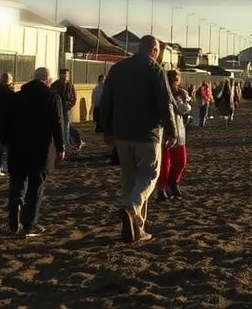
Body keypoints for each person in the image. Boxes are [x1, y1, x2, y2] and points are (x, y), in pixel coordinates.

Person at [97, 34, 178, 243]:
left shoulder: (118, 69)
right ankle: (131, 206)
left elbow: (106, 101)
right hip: (147, 133)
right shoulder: (155, 70)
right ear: (154, 50)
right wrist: (172, 130)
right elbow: (164, 102)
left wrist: (106, 129)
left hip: (122, 133)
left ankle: (136, 228)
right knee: (150, 175)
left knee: (129, 179)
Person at [0, 67, 65, 237]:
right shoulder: (52, 98)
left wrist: (4, 142)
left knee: (17, 181)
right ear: (48, 79)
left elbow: (5, 121)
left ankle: (16, 204)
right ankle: (30, 223)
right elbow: (58, 124)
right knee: (36, 186)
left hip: (17, 147)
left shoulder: (16, 97)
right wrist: (61, 147)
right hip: (41, 149)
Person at [156, 69, 191, 202]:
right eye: (173, 81)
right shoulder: (164, 94)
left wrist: (184, 97)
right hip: (166, 132)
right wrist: (182, 100)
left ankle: (173, 182)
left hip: (179, 132)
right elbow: (182, 108)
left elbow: (185, 109)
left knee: (181, 161)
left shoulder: (180, 93)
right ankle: (161, 188)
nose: (175, 84)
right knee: (165, 164)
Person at [50, 67, 77, 151]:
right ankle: (61, 144)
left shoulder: (70, 85)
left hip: (67, 109)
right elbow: (52, 97)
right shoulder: (55, 85)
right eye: (63, 75)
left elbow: (74, 97)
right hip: (58, 109)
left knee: (67, 127)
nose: (65, 77)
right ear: (60, 75)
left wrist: (69, 105)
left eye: (66, 75)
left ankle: (67, 144)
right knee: (59, 127)